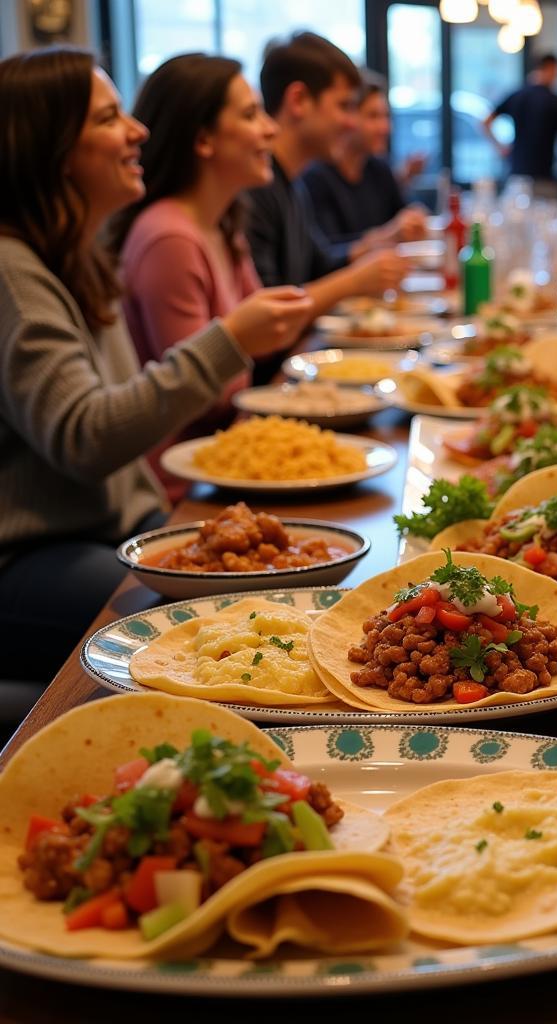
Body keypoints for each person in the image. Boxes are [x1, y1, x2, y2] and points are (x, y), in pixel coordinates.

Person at [0, 48, 312, 680]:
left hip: (116, 525)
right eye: (110, 118)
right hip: (30, 558)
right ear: (52, 149)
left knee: (281, 577)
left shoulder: (76, 257)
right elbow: (87, 437)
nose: (137, 130)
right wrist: (229, 340)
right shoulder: (12, 272)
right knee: (221, 626)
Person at [110, 53, 279, 501]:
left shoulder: (221, 222)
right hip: (182, 488)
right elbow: (203, 395)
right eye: (250, 115)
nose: (270, 128)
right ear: (203, 139)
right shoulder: (169, 238)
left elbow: (263, 340)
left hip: (224, 463)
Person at [245, 31, 404, 314]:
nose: (351, 124)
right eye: (344, 106)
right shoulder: (254, 189)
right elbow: (266, 316)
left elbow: (321, 265)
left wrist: (372, 250)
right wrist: (354, 280)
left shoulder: (292, 184)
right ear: (299, 100)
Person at [298, 71, 428, 265]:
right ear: (349, 118)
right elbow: (325, 256)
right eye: (373, 116)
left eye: (386, 116)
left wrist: (414, 220)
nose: (385, 127)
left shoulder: (379, 168)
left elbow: (402, 214)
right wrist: (388, 235)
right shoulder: (315, 177)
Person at [482, 53, 557, 194]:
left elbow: (485, 123)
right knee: (547, 215)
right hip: (543, 176)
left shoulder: (516, 95)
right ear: (550, 68)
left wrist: (501, 148)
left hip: (517, 175)